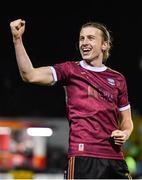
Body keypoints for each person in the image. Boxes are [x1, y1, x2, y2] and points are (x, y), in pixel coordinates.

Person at [10, 19, 133, 179]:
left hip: (115, 158)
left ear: (105, 45)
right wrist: (17, 40)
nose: (84, 42)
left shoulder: (118, 79)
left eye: (90, 38)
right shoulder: (70, 70)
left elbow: (127, 121)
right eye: (81, 38)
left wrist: (125, 133)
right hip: (83, 156)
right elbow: (30, 75)